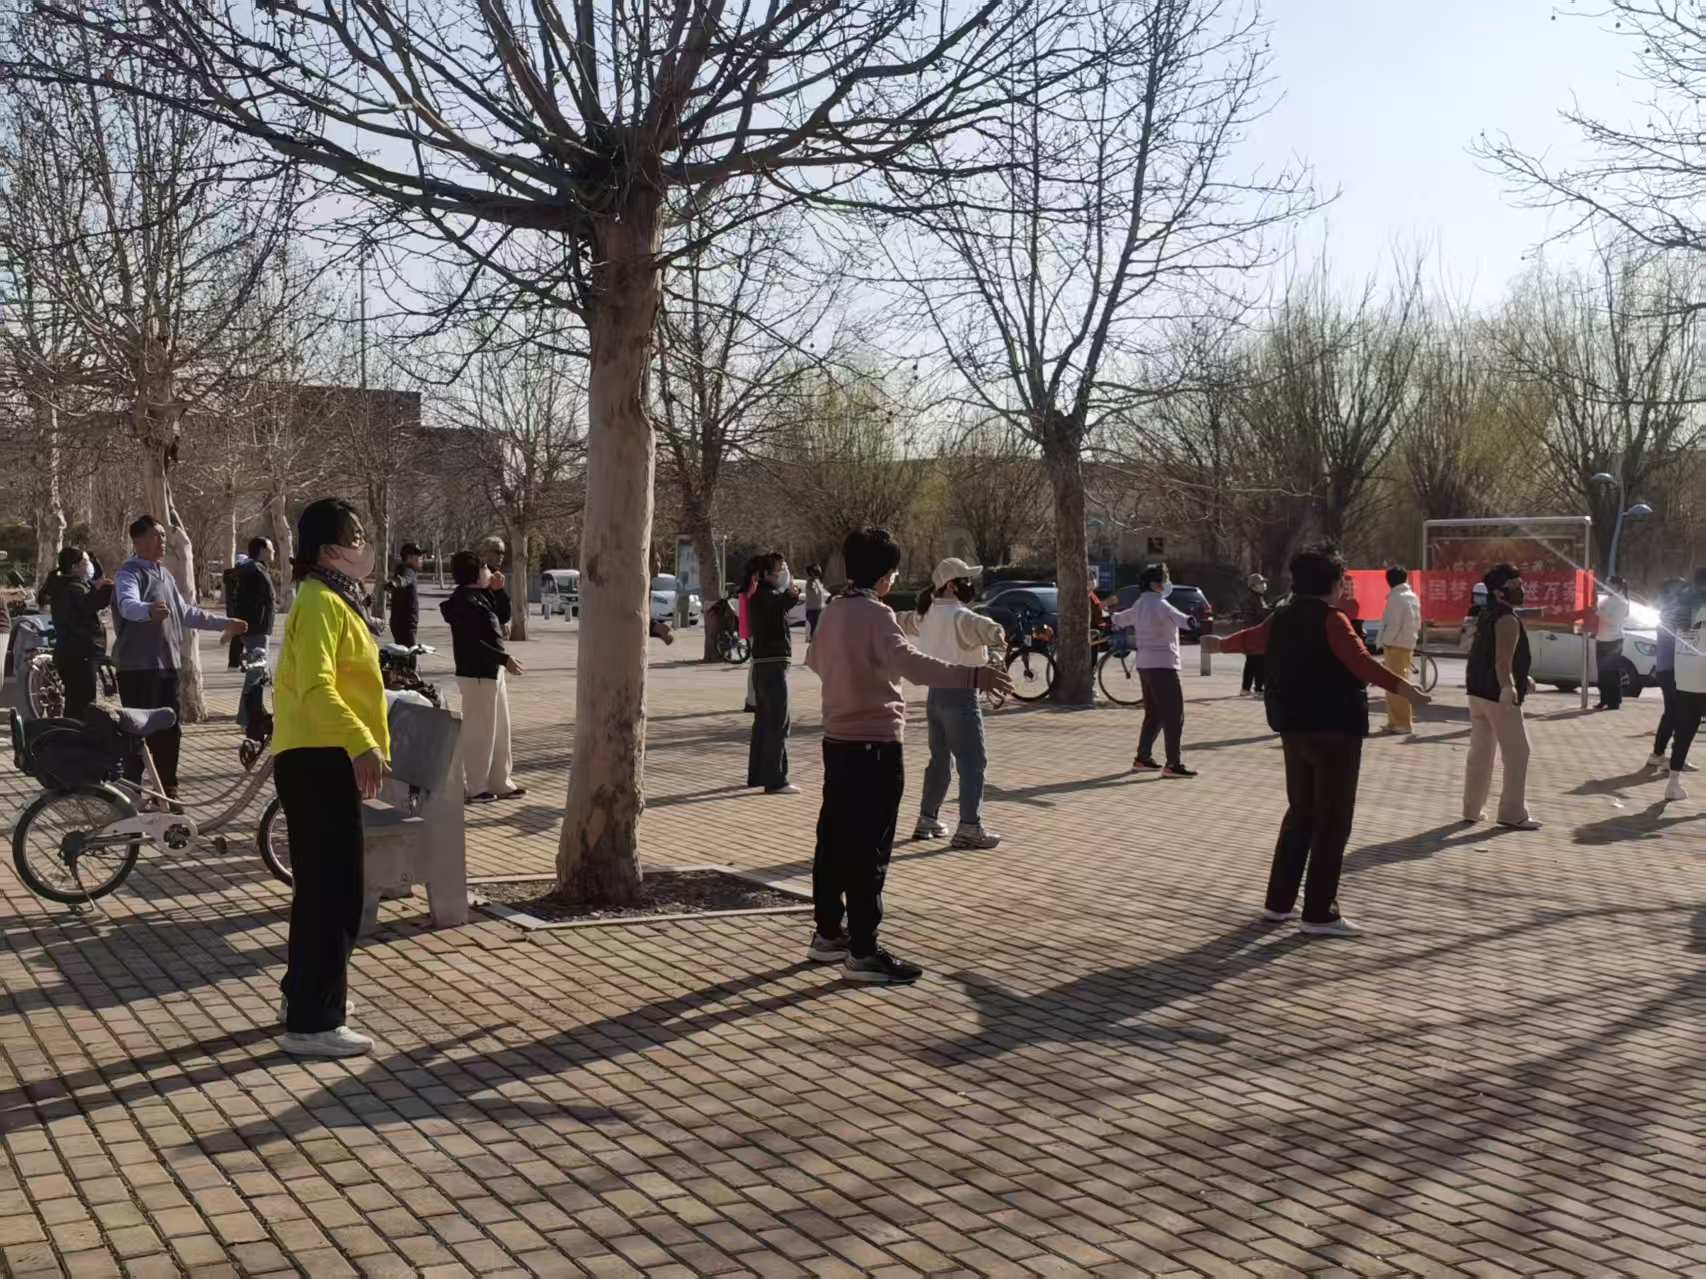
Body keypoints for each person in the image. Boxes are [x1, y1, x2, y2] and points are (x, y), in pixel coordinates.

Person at [804, 527, 1013, 983]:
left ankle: (827, 932)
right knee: (870, 848)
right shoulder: (878, 615)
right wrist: (974, 675)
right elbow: (913, 666)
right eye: (894, 572)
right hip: (876, 744)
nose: (895, 579)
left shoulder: (833, 611)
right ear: (884, 575)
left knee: (834, 839)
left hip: (837, 739)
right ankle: (863, 950)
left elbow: (815, 662)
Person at [1207, 545, 1431, 936]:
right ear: (1331, 583)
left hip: (1293, 727)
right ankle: (1319, 912)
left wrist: (1217, 644)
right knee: (1333, 820)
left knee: (1300, 814)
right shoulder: (1332, 620)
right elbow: (1361, 663)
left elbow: (1250, 640)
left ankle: (1278, 903)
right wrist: (1405, 689)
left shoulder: (1282, 617)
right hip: (1335, 729)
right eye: (1342, 580)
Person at [273, 498, 388, 1057]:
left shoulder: (333, 599)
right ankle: (314, 1022)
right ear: (328, 550)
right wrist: (361, 741)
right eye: (355, 536)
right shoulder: (321, 601)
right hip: (321, 758)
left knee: (321, 891)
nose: (363, 546)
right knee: (335, 895)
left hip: (320, 756)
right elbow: (317, 687)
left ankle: (302, 997)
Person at [113, 516, 247, 800]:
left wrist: (225, 623)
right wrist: (147, 610)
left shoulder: (165, 575)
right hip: (138, 669)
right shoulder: (129, 573)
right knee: (137, 734)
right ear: (138, 541)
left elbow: (186, 613)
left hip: (167, 665)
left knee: (170, 731)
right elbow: (127, 604)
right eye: (156, 535)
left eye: (164, 535)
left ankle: (167, 791)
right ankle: (130, 793)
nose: (163, 541)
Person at [911, 557, 1008, 849]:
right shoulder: (961, 616)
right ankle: (969, 827)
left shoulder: (927, 614)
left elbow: (905, 621)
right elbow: (986, 628)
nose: (970, 585)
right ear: (951, 586)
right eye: (965, 580)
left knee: (940, 761)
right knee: (973, 762)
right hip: (961, 696)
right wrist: (999, 633)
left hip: (934, 696)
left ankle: (927, 818)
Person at [442, 550, 526, 803]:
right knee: (480, 731)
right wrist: (504, 659)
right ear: (475, 573)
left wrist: (499, 591)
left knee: (500, 729)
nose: (490, 571)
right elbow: (473, 643)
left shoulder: (481, 596)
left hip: (492, 671)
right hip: (476, 673)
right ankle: (476, 786)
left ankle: (500, 781)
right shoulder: (463, 602)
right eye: (485, 568)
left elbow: (503, 616)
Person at [1463, 562, 1541, 830]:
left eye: (1521, 584)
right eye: (1514, 586)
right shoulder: (1507, 618)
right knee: (1518, 752)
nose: (1521, 589)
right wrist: (1508, 686)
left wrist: (1522, 677)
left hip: (1477, 691)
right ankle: (1512, 812)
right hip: (1498, 695)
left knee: (1480, 753)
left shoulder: (1487, 613)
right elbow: (1502, 660)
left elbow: (1488, 653)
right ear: (1498, 592)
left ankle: (1472, 808)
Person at [1111, 563, 1195, 778]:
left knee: (1154, 714)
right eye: (1164, 579)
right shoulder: (1162, 605)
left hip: (1145, 665)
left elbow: (1120, 619)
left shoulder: (1140, 604)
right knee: (1174, 715)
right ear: (1155, 585)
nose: (1167, 583)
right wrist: (1191, 621)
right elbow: (1182, 620)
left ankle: (1143, 758)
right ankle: (1173, 764)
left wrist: (1110, 618)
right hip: (1164, 665)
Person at [747, 552, 801, 794]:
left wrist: (790, 592)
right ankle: (776, 779)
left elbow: (784, 603)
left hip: (764, 664)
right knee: (777, 721)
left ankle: (759, 774)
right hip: (771, 665)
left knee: (764, 720)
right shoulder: (766, 595)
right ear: (766, 573)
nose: (782, 573)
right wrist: (790, 590)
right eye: (779, 569)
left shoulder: (763, 595)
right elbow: (783, 602)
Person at [39, 547, 114, 720]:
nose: (88, 566)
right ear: (74, 567)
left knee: (75, 703)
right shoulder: (72, 588)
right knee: (82, 706)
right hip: (79, 654)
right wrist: (107, 589)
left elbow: (95, 580)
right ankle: (75, 735)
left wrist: (94, 562)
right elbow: (90, 604)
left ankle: (71, 733)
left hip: (70, 653)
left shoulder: (66, 584)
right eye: (85, 562)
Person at [1664, 567, 1706, 799]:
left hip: (1683, 675)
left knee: (1684, 731)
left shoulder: (1679, 606)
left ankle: (1673, 783)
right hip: (1703, 674)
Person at [1650, 577, 1691, 771]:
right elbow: (1684, 640)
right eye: (1684, 589)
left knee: (1673, 713)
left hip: (1668, 668)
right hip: (1673, 669)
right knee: (1678, 713)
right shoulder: (1674, 612)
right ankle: (1670, 758)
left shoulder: (1667, 610)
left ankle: (1659, 754)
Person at [1377, 566, 1422, 736]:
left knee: (1395, 685)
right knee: (1399, 683)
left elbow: (1393, 625)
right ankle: (1395, 721)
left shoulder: (1396, 598)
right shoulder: (1412, 596)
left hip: (1395, 645)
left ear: (1389, 581)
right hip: (1406, 644)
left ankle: (1401, 723)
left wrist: (1385, 642)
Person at [1595, 575, 1631, 710]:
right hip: (1601, 638)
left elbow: (1613, 620)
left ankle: (1614, 702)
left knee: (1612, 673)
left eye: (1608, 584)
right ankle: (1603, 699)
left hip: (1614, 640)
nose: (1605, 586)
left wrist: (1598, 613)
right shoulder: (1606, 600)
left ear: (1616, 586)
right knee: (1602, 673)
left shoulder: (1622, 601)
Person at [386, 543, 424, 647]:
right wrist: (397, 582)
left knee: (402, 653)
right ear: (410, 557)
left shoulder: (402, 569)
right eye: (419, 557)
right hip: (406, 626)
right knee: (408, 653)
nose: (422, 560)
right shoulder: (408, 571)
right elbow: (405, 579)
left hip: (400, 623)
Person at [1240, 573, 1270, 696]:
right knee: (1259, 661)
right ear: (1253, 586)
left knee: (1251, 662)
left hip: (1251, 633)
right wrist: (1275, 610)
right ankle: (1258, 688)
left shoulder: (1254, 598)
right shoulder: (1255, 599)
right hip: (1256, 634)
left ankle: (1246, 688)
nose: (1264, 585)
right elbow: (1263, 614)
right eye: (1261, 583)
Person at [479, 536, 512, 638]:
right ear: (485, 553)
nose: (501, 556)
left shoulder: (495, 575)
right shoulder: (479, 575)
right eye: (498, 552)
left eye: (503, 553)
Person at [803, 565, 829, 638]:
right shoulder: (811, 582)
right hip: (813, 610)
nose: (820, 570)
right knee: (815, 632)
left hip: (818, 609)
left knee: (818, 631)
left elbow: (819, 595)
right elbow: (813, 591)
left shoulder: (817, 581)